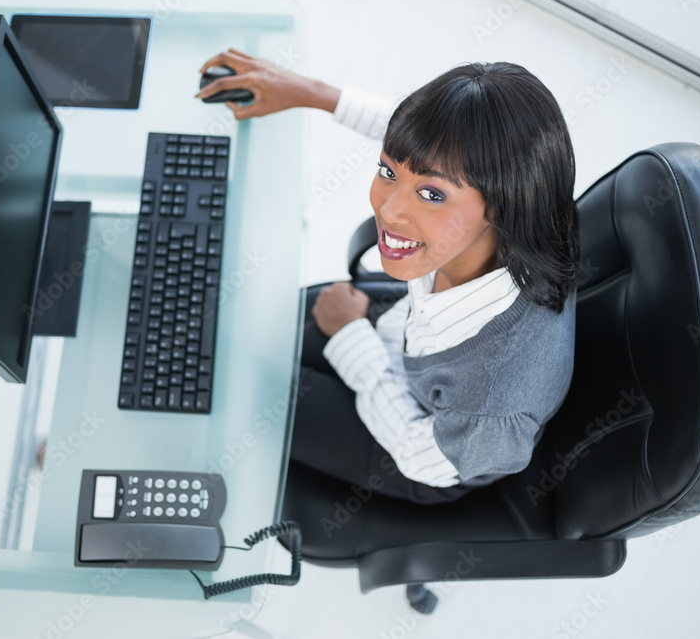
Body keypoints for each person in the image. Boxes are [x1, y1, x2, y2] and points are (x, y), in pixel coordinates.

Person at [197, 49, 578, 504]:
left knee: (234, 387)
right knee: (244, 338)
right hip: (407, 344)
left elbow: (418, 455)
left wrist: (351, 337)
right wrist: (309, 92)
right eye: (386, 172)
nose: (389, 209)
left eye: (431, 195)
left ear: (505, 202)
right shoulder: (524, 212)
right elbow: (422, 150)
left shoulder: (495, 402)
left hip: (416, 445)